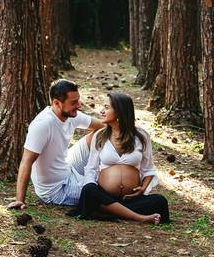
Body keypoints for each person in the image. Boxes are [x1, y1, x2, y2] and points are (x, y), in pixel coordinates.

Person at [72, 92, 170, 224]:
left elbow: (148, 169)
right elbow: (91, 169)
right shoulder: (100, 136)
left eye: (106, 107)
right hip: (104, 195)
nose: (101, 111)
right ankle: (139, 217)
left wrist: (142, 189)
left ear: (119, 111)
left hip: (130, 198)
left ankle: (110, 211)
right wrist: (90, 187)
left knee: (160, 201)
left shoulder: (141, 136)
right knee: (89, 190)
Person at [7, 79, 104, 210]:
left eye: (78, 100)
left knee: (100, 134)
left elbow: (103, 126)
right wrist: (20, 200)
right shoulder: (43, 125)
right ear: (57, 103)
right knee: (105, 189)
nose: (79, 105)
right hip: (57, 189)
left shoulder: (71, 114)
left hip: (67, 166)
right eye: (74, 102)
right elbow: (26, 161)